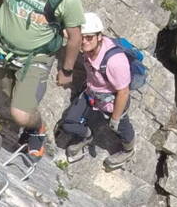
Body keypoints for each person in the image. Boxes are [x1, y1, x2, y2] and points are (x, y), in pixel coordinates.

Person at [0, 0, 86, 158]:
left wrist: (67, 70)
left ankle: (36, 128)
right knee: (7, 94)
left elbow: (75, 37)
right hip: (3, 48)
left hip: (37, 57)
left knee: (20, 113)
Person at [58, 13, 136, 168]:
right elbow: (67, 32)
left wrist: (115, 118)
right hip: (91, 93)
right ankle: (87, 136)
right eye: (82, 37)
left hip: (112, 102)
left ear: (99, 36)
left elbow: (123, 92)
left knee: (121, 127)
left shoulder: (115, 61)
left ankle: (128, 149)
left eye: (89, 37)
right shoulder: (87, 45)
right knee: (68, 124)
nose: (85, 42)